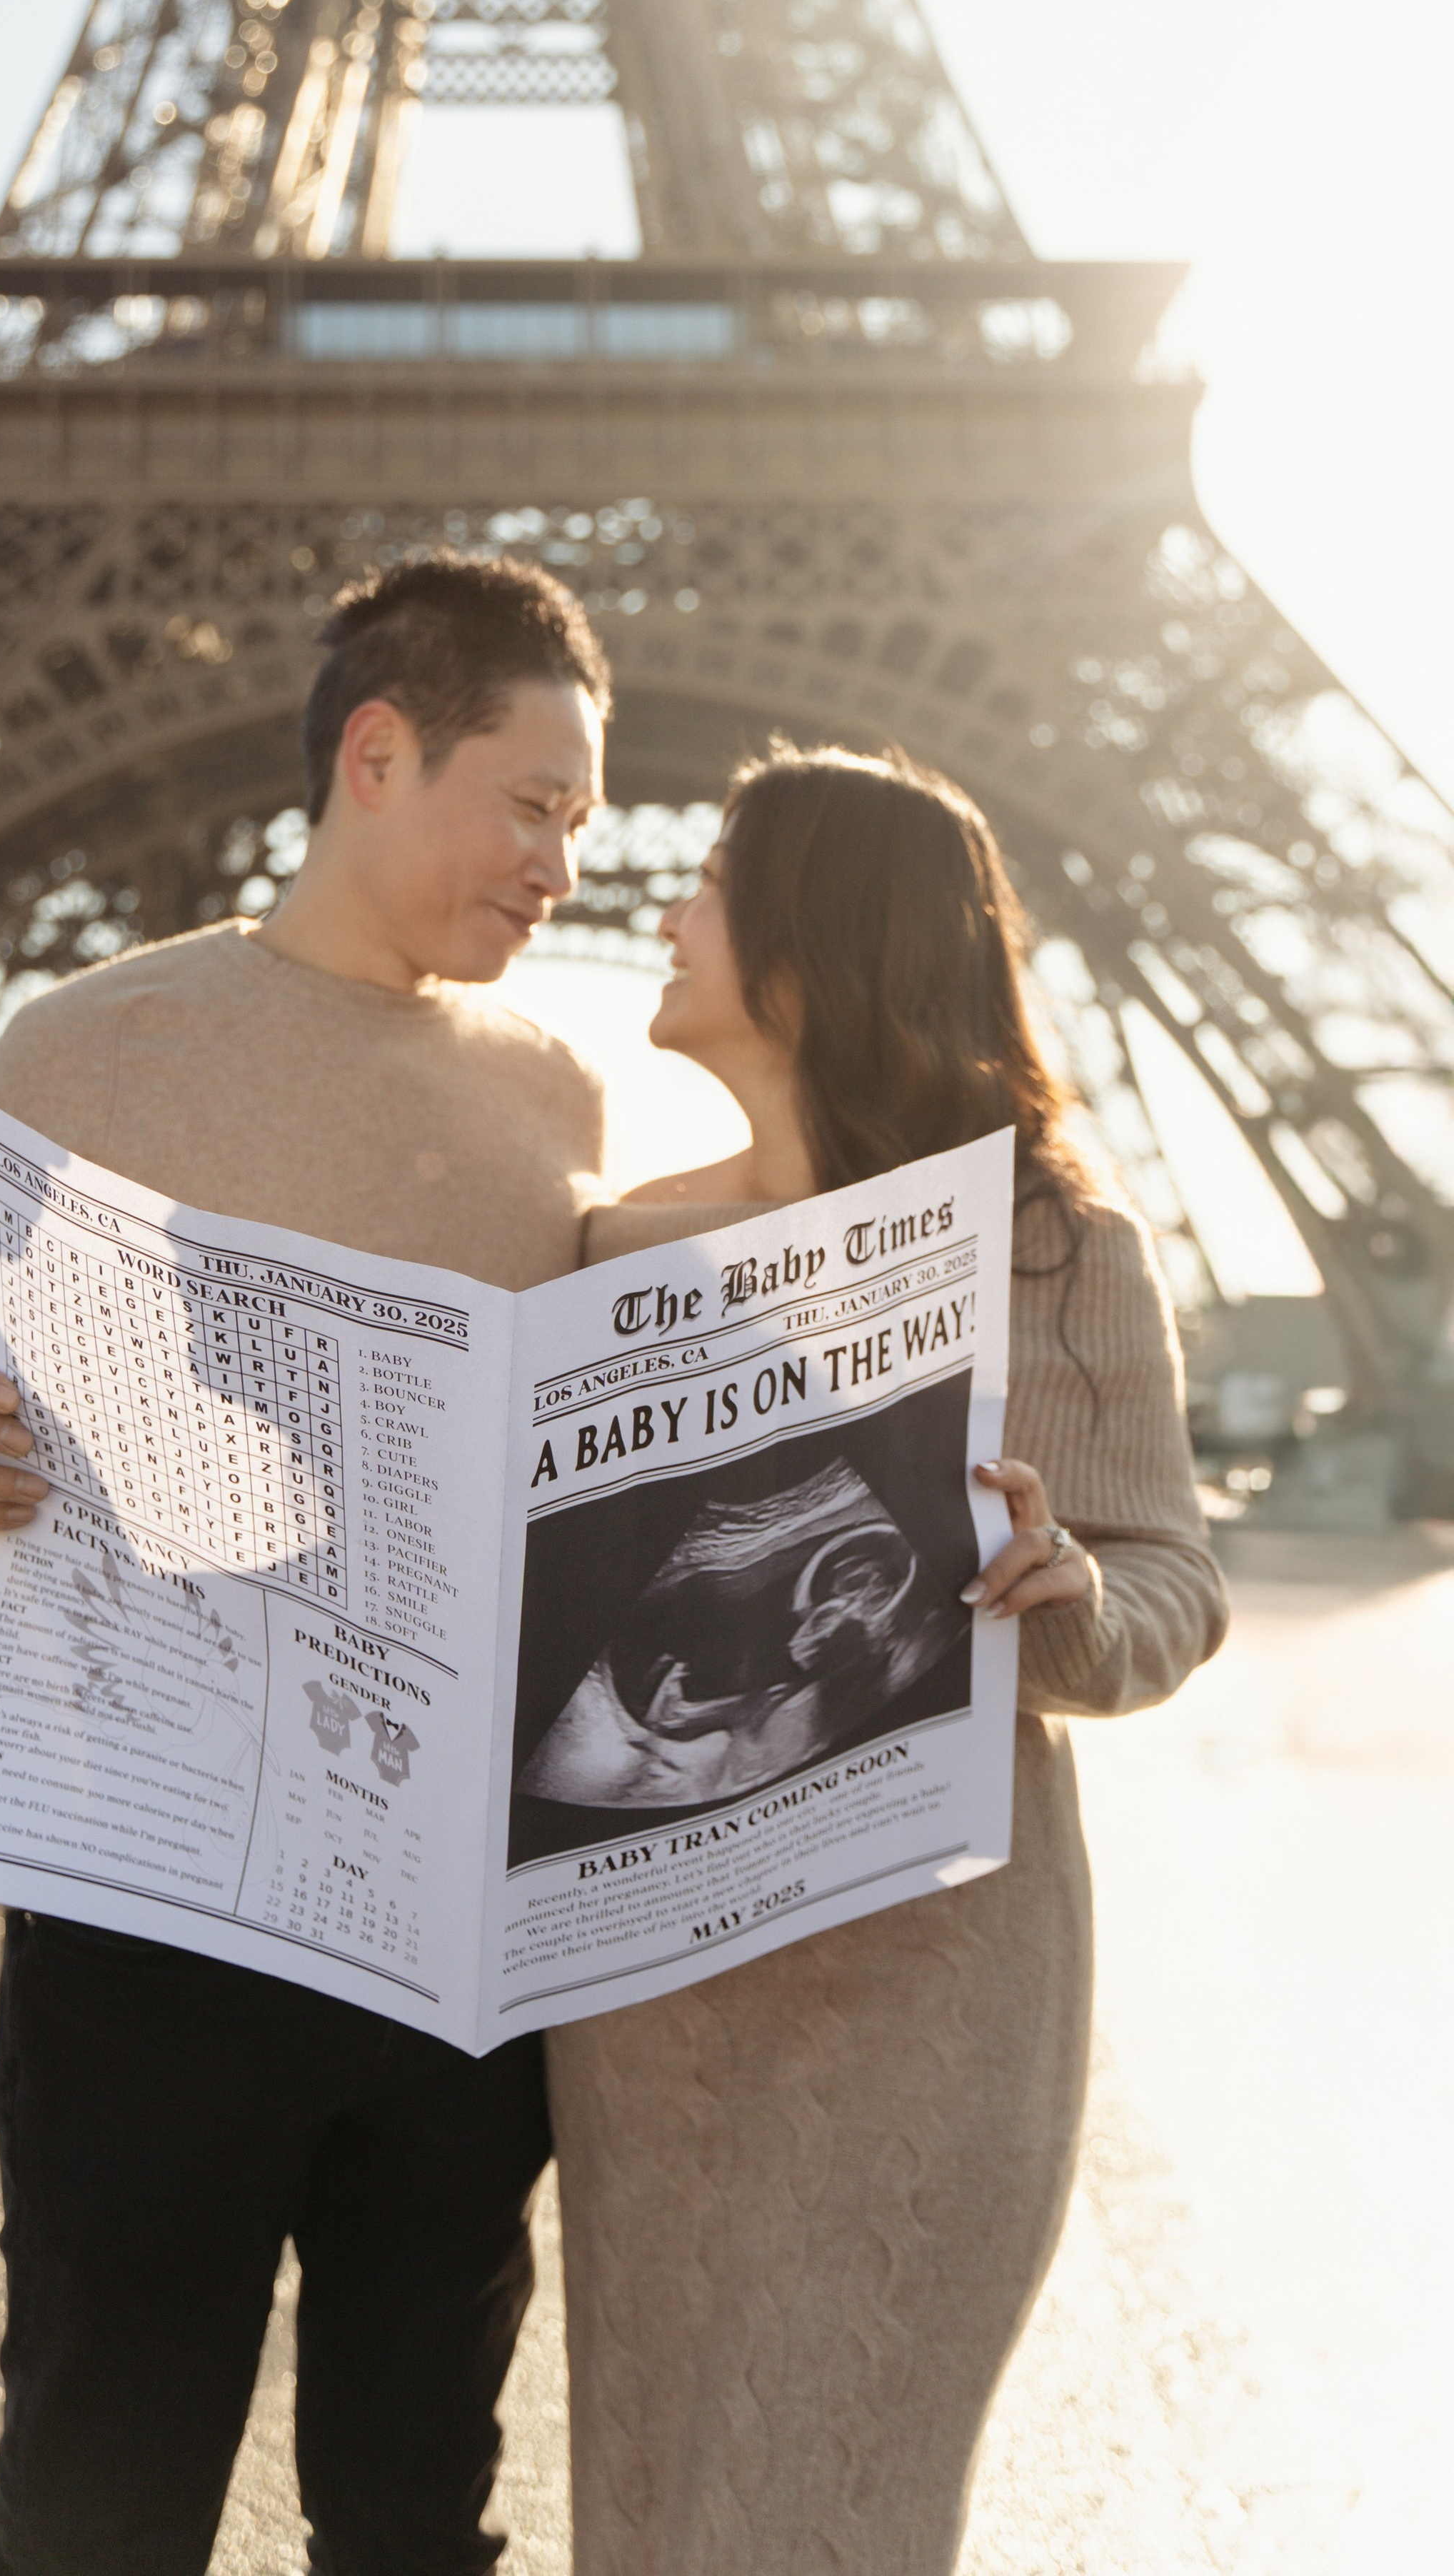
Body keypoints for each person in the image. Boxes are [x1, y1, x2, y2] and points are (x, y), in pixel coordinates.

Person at [0, 553, 611, 2576]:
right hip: (147, 1923)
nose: (560, 863)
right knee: (97, 2511)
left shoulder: (560, 1100)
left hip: (450, 1949)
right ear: (380, 754)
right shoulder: (91, 1049)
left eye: (583, 823)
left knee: (411, 2526)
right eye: (532, 805)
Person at [547, 742, 1229, 2576]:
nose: (664, 911)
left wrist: (1065, 1590)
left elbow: (1172, 1584)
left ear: (805, 945)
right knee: (653, 2506)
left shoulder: (1055, 1252)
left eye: (711, 882)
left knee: (827, 2508)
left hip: (930, 1979)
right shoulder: (618, 1250)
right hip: (655, 2001)